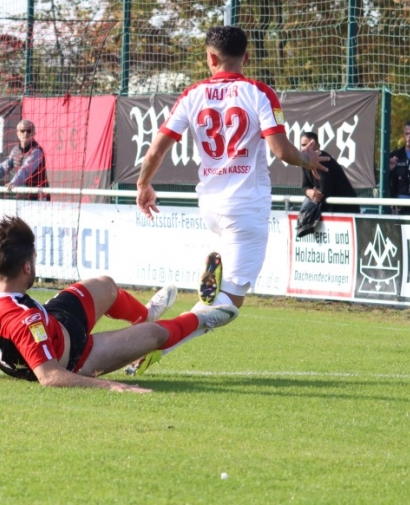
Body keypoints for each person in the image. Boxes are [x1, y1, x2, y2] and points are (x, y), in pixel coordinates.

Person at [133, 26, 327, 374]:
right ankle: (158, 341)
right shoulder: (259, 92)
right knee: (227, 307)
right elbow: (282, 151)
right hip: (246, 207)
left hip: (209, 204)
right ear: (247, 58)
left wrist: (143, 185)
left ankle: (194, 304)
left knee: (222, 299)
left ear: (210, 58)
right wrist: (307, 160)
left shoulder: (192, 95)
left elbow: (155, 150)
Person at [0, 215, 238, 391]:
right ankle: (205, 317)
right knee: (156, 336)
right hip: (78, 357)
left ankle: (143, 317)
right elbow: (50, 376)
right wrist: (113, 388)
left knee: (106, 286)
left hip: (56, 319)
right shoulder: (24, 321)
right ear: (28, 267)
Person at [295, 131, 359, 238]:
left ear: (317, 146)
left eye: (309, 145)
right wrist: (310, 192)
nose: (305, 148)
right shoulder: (305, 161)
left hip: (344, 211)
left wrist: (315, 194)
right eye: (303, 145)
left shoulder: (323, 159)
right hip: (330, 212)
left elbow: (325, 190)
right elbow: (305, 186)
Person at [0, 119, 50, 200]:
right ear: (17, 133)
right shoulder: (15, 150)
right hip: (23, 195)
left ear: (34, 133)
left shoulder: (36, 151)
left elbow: (26, 169)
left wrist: (14, 182)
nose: (25, 133)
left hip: (39, 196)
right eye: (22, 131)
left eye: (29, 131)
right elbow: (2, 168)